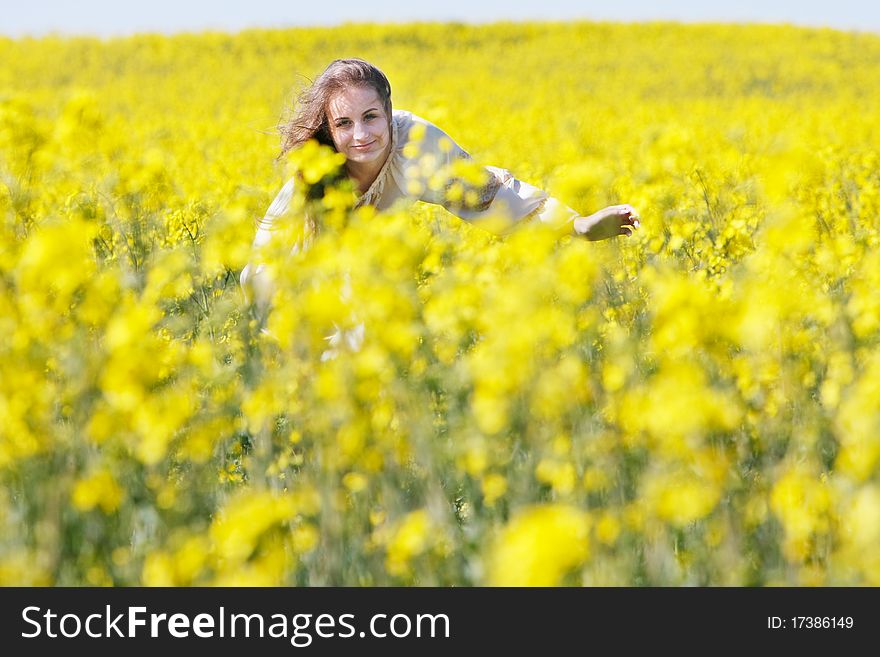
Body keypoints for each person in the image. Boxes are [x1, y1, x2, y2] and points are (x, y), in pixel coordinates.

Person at [241, 58, 640, 351]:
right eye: (344, 124)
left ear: (389, 112)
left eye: (371, 117)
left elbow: (489, 194)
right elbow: (273, 270)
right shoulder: (314, 172)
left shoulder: (414, 143)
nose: (361, 134)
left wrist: (578, 226)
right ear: (329, 128)